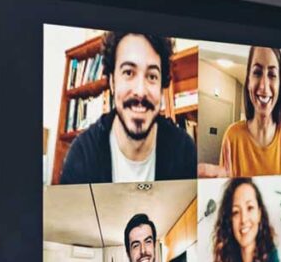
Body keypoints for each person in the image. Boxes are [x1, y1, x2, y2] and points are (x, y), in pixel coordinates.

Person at [60, 32, 196, 184]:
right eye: (129, 72)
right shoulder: (83, 154)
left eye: (152, 76)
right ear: (112, 82)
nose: (140, 91)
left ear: (161, 87)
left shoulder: (184, 150)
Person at [197, 46, 281, 178]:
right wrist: (222, 185)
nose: (264, 86)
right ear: (248, 82)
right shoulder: (232, 136)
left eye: (272, 75)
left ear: (280, 84)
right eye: (257, 73)